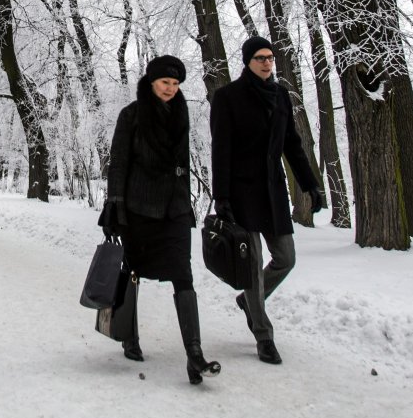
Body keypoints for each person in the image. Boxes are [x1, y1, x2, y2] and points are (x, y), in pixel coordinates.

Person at [100, 54, 221, 385]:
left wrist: (185, 189)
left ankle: (194, 355)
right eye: (165, 82)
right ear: (151, 82)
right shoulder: (132, 115)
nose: (170, 88)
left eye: (176, 83)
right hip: (139, 209)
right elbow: (119, 163)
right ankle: (127, 334)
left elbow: (181, 159)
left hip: (175, 209)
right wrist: (115, 207)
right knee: (133, 272)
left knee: (183, 274)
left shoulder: (180, 111)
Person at [210, 35, 327, 365]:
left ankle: (250, 303)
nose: (266, 62)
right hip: (241, 193)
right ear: (248, 61)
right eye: (260, 57)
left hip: (273, 191)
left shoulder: (280, 96)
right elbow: (221, 151)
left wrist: (310, 185)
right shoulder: (228, 98)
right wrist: (222, 197)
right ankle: (264, 335)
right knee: (251, 266)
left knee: (286, 258)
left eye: (270, 58)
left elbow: (292, 144)